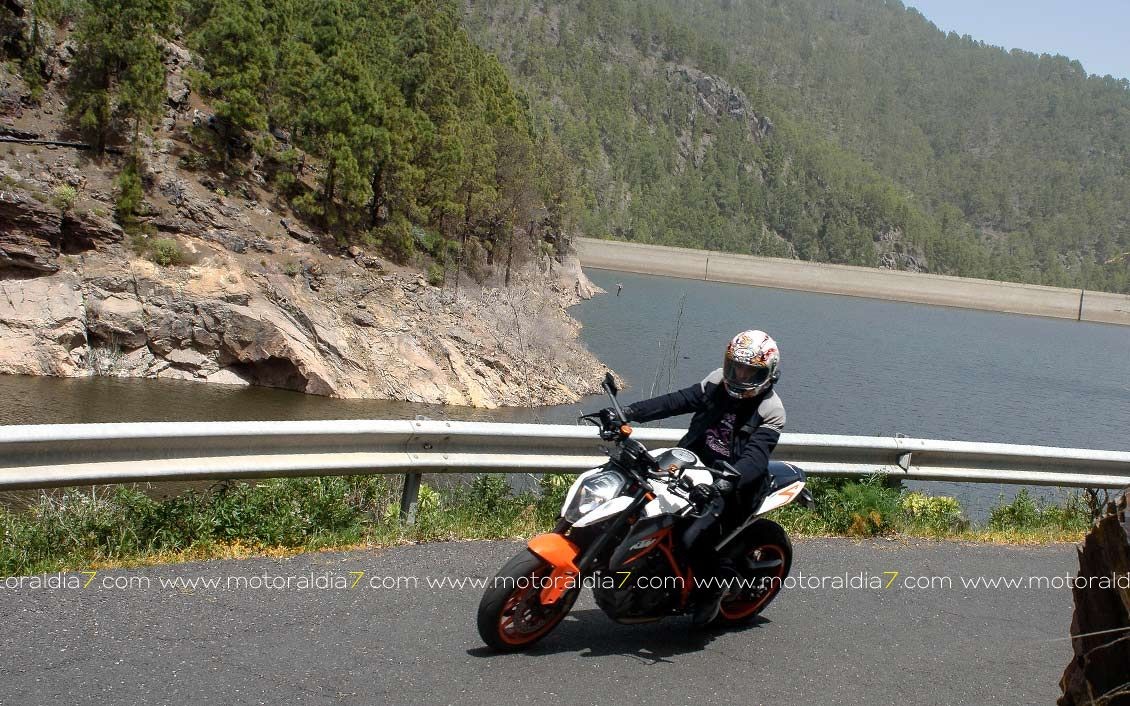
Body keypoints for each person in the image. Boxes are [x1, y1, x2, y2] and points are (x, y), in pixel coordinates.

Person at [600, 329, 785, 624]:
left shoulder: (770, 410)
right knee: (637, 500)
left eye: (749, 372)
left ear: (768, 373)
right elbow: (677, 401)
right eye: (735, 367)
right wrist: (629, 411)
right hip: (693, 466)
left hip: (733, 484)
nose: (739, 376)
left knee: (690, 538)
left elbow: (756, 457)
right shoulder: (716, 382)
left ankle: (712, 592)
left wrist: (727, 482)